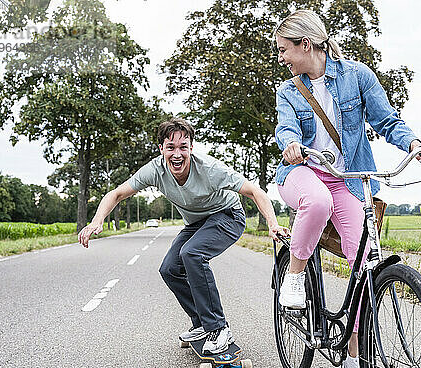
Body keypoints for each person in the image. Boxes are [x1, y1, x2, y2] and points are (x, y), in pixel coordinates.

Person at [272, 10, 421, 368]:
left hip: (348, 177)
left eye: (284, 50)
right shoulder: (288, 91)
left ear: (305, 44)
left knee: (365, 263)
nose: (282, 58)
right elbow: (286, 129)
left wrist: (413, 144)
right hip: (304, 174)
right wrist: (291, 145)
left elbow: (386, 120)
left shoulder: (357, 76)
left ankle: (353, 350)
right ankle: (295, 275)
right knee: (316, 202)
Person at [78, 118, 288, 355]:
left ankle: (218, 329)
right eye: (171, 147)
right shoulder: (154, 171)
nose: (177, 154)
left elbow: (254, 191)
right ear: (161, 149)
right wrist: (96, 221)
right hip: (198, 223)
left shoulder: (209, 169)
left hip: (228, 215)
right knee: (169, 268)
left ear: (191, 148)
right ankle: (201, 323)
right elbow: (116, 194)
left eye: (183, 147)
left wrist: (272, 223)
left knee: (192, 254)